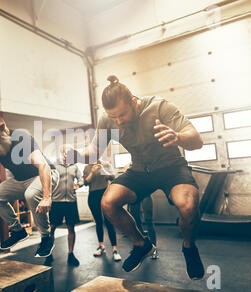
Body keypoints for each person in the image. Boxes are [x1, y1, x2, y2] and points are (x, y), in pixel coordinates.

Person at [63, 75, 205, 280]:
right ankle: (141, 245)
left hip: (171, 168)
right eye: (114, 117)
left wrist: (179, 137)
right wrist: (75, 153)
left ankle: (189, 247)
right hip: (140, 170)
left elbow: (197, 140)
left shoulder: (159, 107)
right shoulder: (107, 120)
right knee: (108, 202)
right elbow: (94, 152)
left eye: (122, 114)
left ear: (134, 101)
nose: (118, 121)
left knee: (188, 206)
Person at [0, 112, 59, 258]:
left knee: (31, 194)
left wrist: (46, 197)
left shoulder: (22, 138)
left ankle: (46, 237)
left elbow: (43, 166)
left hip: (45, 175)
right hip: (21, 180)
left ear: (2, 126)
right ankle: (17, 231)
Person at [83, 161, 122, 262]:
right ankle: (101, 246)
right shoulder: (87, 167)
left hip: (105, 194)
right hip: (93, 196)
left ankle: (115, 250)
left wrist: (103, 170)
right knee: (98, 222)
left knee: (109, 221)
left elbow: (113, 177)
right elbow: (86, 182)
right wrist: (92, 172)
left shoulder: (106, 164)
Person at [49, 158, 84, 266]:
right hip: (56, 201)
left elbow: (81, 179)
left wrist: (79, 184)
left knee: (71, 227)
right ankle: (48, 253)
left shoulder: (74, 166)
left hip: (71, 201)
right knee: (52, 228)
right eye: (64, 152)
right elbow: (47, 178)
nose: (66, 155)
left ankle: (71, 254)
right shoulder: (54, 165)